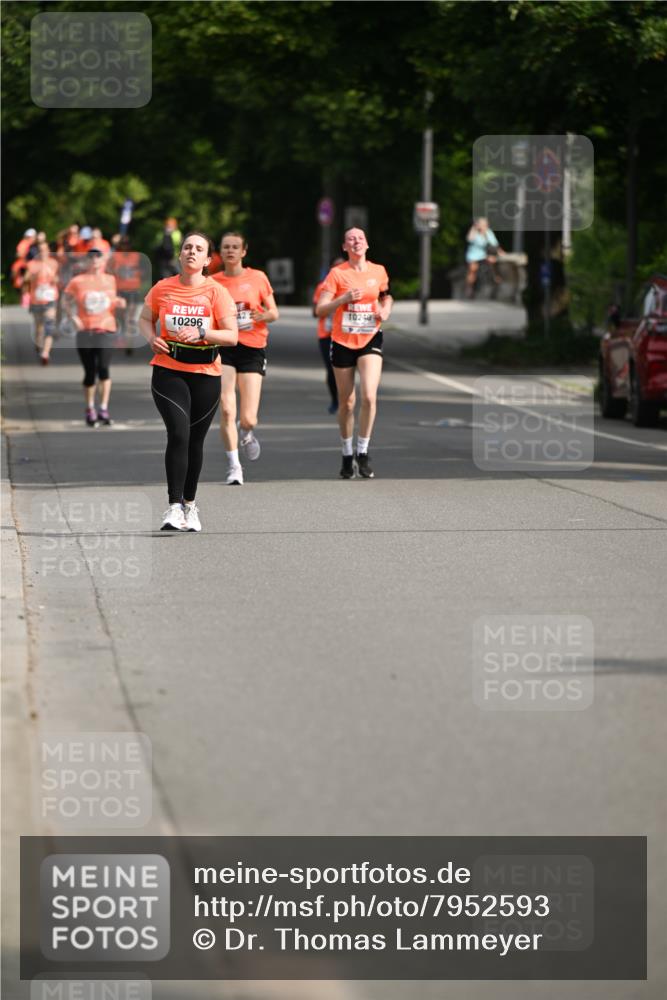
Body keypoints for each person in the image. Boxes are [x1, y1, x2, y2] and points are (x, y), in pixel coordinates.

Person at [139, 231, 238, 531]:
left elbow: (232, 336)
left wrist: (203, 333)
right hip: (168, 370)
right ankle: (172, 507)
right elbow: (145, 319)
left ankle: (190, 506)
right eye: (187, 248)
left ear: (208, 259)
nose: (191, 252)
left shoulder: (216, 292)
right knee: (178, 434)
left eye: (198, 249)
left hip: (206, 374)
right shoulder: (162, 288)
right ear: (180, 255)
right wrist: (151, 338)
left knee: (195, 441)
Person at [316, 228, 393, 479]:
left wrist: (386, 310)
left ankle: (363, 452)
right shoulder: (337, 274)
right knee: (347, 402)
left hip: (370, 336)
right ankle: (347, 453)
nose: (356, 241)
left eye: (360, 238)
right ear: (344, 247)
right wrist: (343, 299)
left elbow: (386, 295)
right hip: (342, 340)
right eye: (351, 239)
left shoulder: (378, 271)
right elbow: (320, 309)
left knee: (369, 396)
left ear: (367, 244)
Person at [213, 232, 279, 485]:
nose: (230, 251)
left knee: (248, 417)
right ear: (220, 252)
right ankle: (234, 466)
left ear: (244, 251)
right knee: (227, 408)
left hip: (252, 346)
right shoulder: (214, 283)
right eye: (226, 247)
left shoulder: (257, 278)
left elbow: (274, 312)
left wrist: (263, 316)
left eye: (235, 247)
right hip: (225, 347)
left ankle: (248, 433)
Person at [63, 248, 126, 427]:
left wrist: (120, 303)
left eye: (98, 259)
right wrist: (72, 317)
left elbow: (111, 301)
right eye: (91, 259)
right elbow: (65, 300)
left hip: (106, 330)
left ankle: (103, 408)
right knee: (90, 372)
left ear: (103, 262)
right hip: (86, 332)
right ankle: (90, 408)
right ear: (87, 262)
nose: (95, 262)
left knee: (104, 369)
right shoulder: (78, 281)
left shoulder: (110, 280)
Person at [313, 256, 344, 414]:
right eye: (336, 267)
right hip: (326, 334)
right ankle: (335, 400)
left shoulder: (351, 286)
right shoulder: (323, 287)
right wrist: (332, 305)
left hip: (346, 333)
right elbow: (315, 312)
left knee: (345, 368)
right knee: (331, 368)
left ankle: (345, 400)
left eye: (342, 266)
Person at [23, 240, 59, 365]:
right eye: (40, 250)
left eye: (45, 250)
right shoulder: (32, 264)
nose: (43, 252)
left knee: (49, 325)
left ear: (48, 251)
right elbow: (26, 279)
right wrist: (34, 276)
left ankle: (45, 353)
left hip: (50, 298)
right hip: (36, 300)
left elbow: (58, 279)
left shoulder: (53, 263)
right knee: (39, 327)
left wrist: (55, 279)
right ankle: (39, 345)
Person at [107, 235, 143, 352]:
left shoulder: (136, 256)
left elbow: (144, 271)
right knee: (120, 318)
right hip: (120, 291)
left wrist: (137, 272)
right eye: (123, 244)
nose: (125, 247)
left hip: (133, 291)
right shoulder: (115, 257)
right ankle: (121, 338)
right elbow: (108, 271)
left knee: (131, 319)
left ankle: (129, 343)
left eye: (127, 244)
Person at [465, 217, 504, 298]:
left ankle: (496, 280)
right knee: (472, 269)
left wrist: (501, 252)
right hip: (474, 254)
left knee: (493, 262)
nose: (484, 226)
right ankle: (469, 288)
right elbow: (469, 239)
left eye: (485, 224)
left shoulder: (489, 233)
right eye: (482, 224)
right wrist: (474, 227)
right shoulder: (474, 231)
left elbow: (495, 245)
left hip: (485, 255)